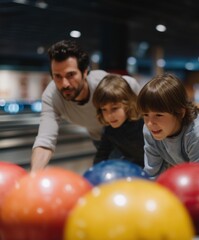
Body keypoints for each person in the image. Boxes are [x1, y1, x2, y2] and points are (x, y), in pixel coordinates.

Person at [31, 40, 141, 171]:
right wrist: (34, 177)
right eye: (57, 76)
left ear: (85, 72)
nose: (64, 83)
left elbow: (130, 84)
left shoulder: (101, 84)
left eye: (70, 75)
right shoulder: (52, 97)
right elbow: (45, 140)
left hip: (131, 135)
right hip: (102, 139)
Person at [137, 73, 199, 178]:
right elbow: (152, 172)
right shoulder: (149, 130)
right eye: (146, 115)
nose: (150, 123)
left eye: (159, 115)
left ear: (180, 113)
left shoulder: (197, 132)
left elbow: (198, 177)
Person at [92, 73, 144, 167]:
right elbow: (101, 155)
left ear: (127, 105)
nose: (109, 115)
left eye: (114, 108)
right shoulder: (110, 130)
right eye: (104, 109)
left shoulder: (144, 123)